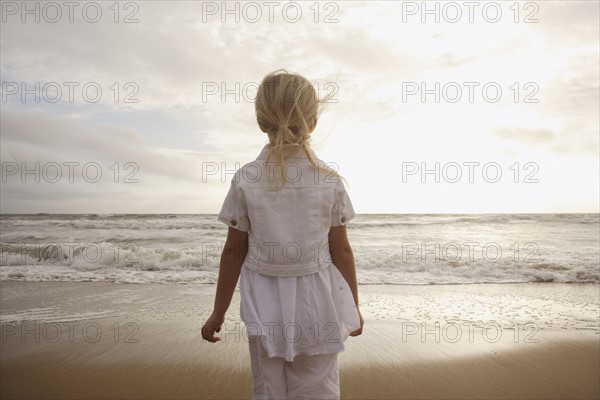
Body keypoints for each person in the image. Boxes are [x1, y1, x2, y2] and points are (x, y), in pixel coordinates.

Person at [201, 69, 364, 400]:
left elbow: (233, 252)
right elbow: (340, 251)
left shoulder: (247, 178)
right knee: (318, 387)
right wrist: (354, 307)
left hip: (265, 302)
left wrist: (218, 312)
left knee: (270, 389)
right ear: (313, 122)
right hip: (318, 300)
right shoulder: (328, 180)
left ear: (261, 122)